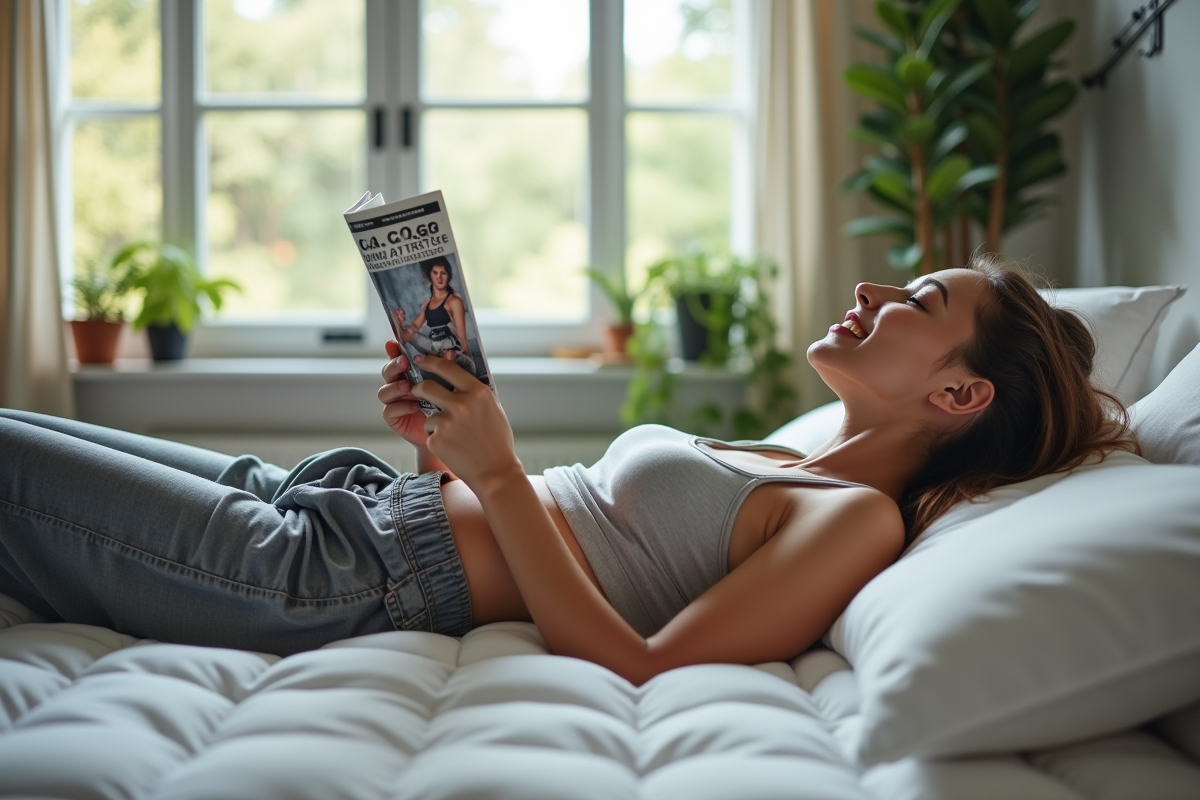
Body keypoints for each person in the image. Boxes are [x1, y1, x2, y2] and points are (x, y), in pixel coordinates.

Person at [0, 257, 1135, 684]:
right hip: (348, 498)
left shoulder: (855, 525)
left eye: (920, 304)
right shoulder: (786, 450)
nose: (879, 291)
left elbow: (638, 659)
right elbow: (577, 526)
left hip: (332, 574)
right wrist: (442, 444)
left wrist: (495, 478)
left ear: (959, 394)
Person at [392, 256, 477, 376]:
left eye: (443, 273)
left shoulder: (454, 301)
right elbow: (415, 326)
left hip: (449, 347)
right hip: (433, 346)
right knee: (406, 333)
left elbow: (462, 337)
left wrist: (469, 364)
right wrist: (400, 328)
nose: (439, 277)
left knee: (449, 355)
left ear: (449, 275)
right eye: (435, 273)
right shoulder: (428, 304)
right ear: (430, 275)